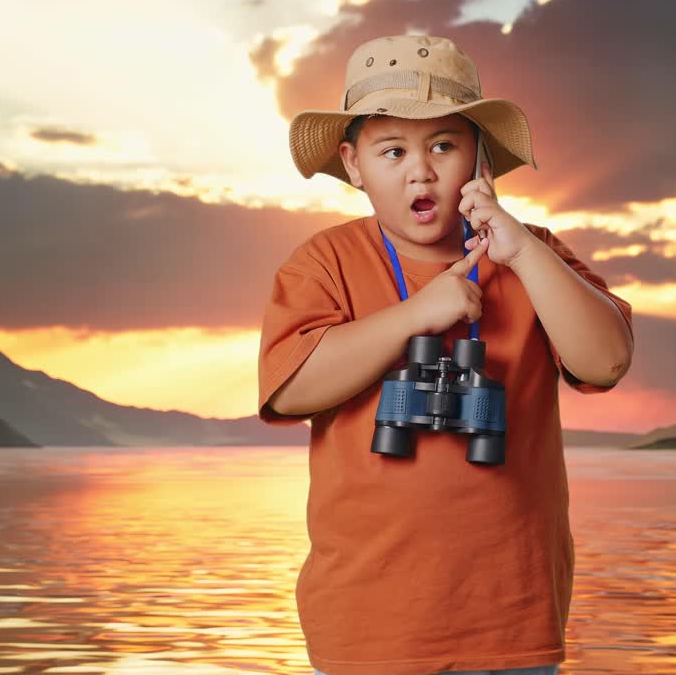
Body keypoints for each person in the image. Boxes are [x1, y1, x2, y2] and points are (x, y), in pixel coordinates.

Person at [257, 34, 635, 675]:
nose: (421, 170)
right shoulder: (326, 262)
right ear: (353, 165)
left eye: (443, 145)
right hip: (369, 618)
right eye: (392, 150)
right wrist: (414, 317)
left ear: (480, 160)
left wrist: (519, 251)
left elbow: (607, 362)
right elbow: (290, 391)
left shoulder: (532, 254)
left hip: (512, 614)